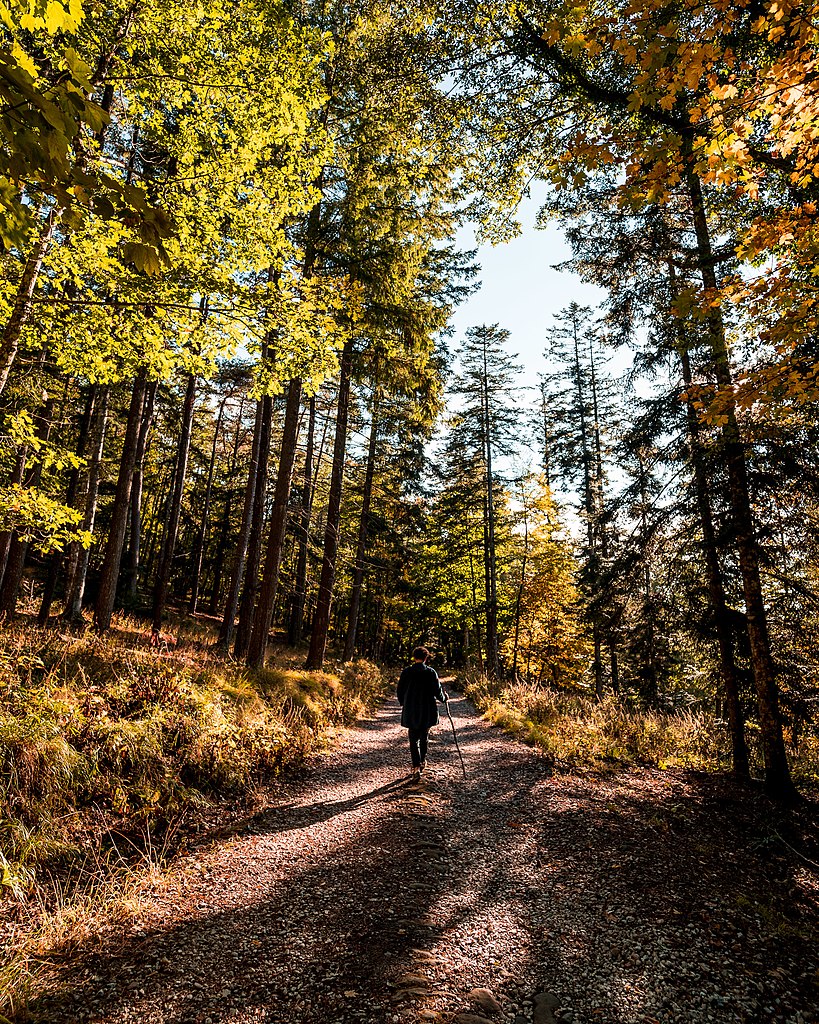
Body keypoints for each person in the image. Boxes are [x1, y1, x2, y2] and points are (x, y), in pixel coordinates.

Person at [397, 646, 448, 779]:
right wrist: (444, 699)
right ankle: (422, 761)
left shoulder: (406, 672)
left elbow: (400, 690)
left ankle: (415, 766)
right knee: (424, 737)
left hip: (411, 709)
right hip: (427, 709)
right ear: (426, 658)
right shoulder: (431, 672)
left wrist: (403, 703)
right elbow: (437, 691)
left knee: (413, 739)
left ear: (414, 657)